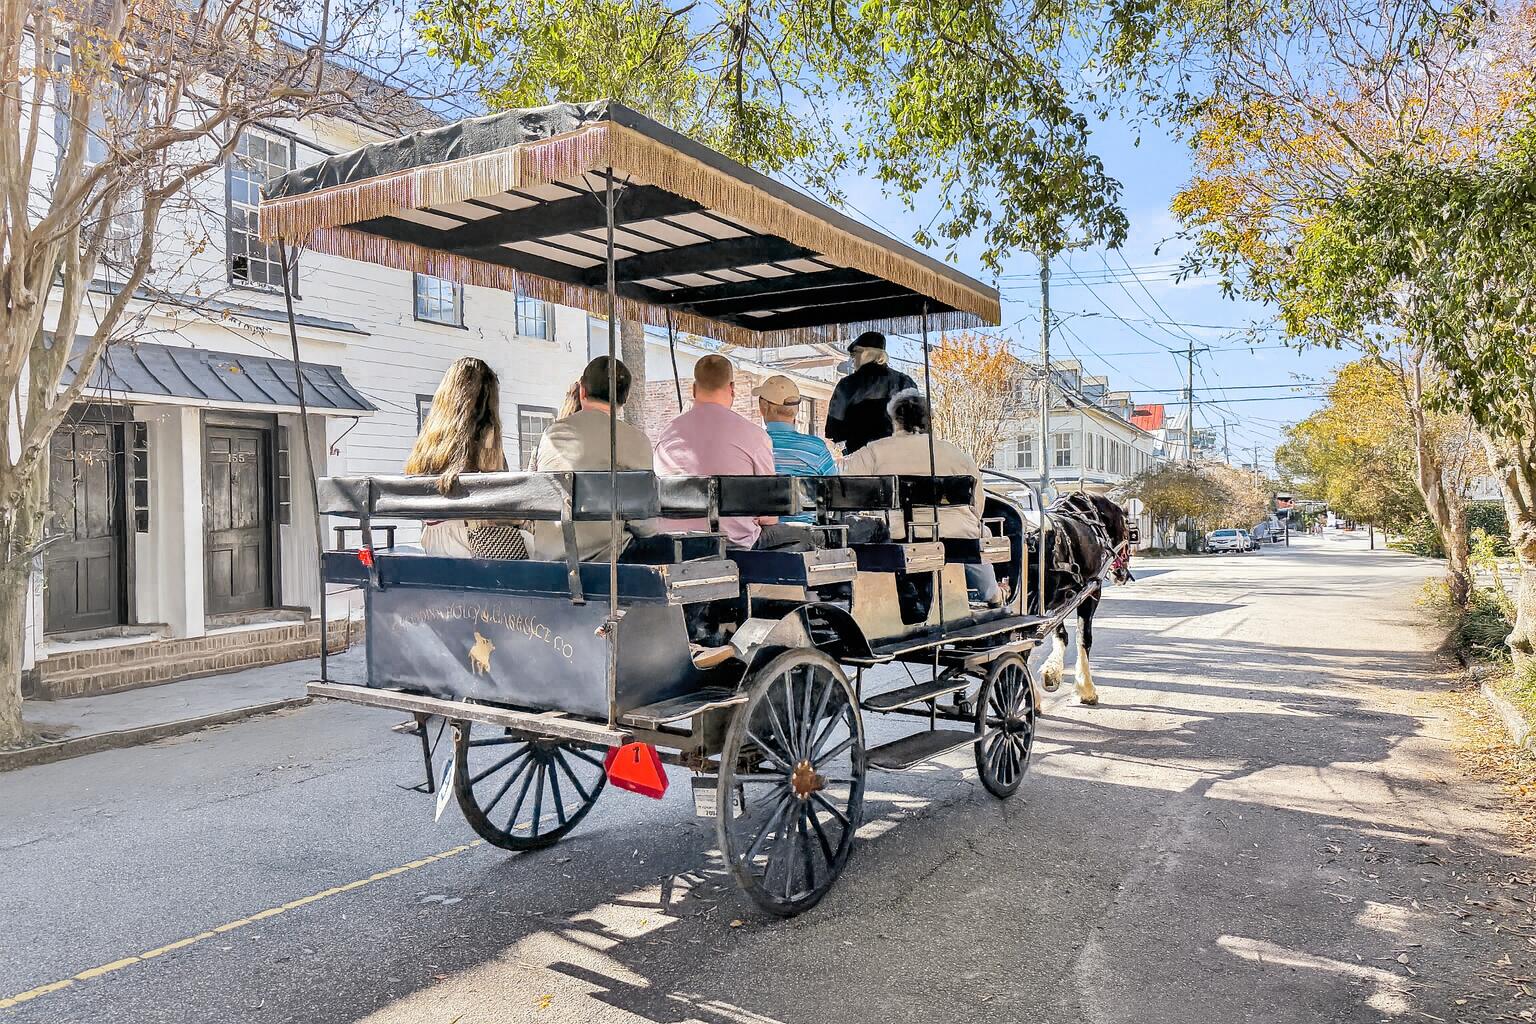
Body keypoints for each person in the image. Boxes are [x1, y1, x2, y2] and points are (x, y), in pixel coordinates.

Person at [843, 388, 1000, 604]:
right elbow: (977, 505)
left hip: (895, 534)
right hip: (955, 534)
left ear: (894, 420)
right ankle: (990, 594)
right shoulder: (956, 455)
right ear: (930, 420)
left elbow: (846, 492)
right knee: (978, 533)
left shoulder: (873, 452)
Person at [655, 353, 809, 550]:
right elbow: (768, 514)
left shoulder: (667, 433)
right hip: (735, 544)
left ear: (694, 389)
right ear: (732, 389)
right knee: (812, 538)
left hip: (677, 544)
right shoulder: (754, 435)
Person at [530, 356, 658, 562]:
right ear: (624, 399)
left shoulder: (551, 435)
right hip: (608, 565)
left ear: (582, 391)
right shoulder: (636, 440)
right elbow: (646, 525)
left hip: (550, 561)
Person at [404, 357, 529, 559]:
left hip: (434, 542)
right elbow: (495, 500)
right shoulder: (486, 435)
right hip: (474, 541)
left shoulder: (430, 439)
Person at [753, 375, 837, 525]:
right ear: (796, 410)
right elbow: (834, 493)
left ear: (763, 407)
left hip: (761, 533)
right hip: (806, 532)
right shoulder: (816, 448)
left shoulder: (751, 444)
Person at [825, 331, 919, 457]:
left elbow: (832, 431)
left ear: (866, 354)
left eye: (856, 354)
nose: (853, 360)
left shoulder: (847, 385)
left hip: (860, 458)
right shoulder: (905, 382)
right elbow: (916, 425)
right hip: (900, 457)